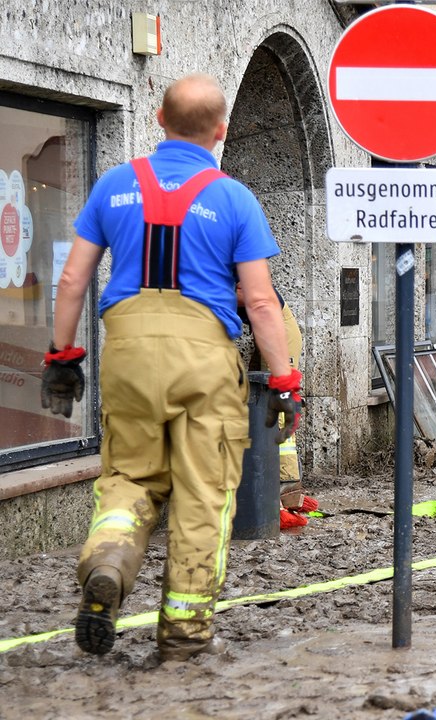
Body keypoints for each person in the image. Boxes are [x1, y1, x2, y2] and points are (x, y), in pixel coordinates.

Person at [40, 74, 303, 661]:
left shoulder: (114, 185)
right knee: (203, 497)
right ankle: (183, 633)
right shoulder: (234, 198)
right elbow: (260, 301)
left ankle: (109, 558)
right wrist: (286, 382)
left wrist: (62, 357)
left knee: (129, 477)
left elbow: (74, 279)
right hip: (204, 360)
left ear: (159, 120)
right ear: (220, 131)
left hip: (128, 354)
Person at [236, 283, 317, 529]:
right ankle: (282, 490)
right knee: (259, 405)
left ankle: (285, 487)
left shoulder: (235, 264)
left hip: (277, 331)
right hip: (265, 330)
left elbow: (245, 295)